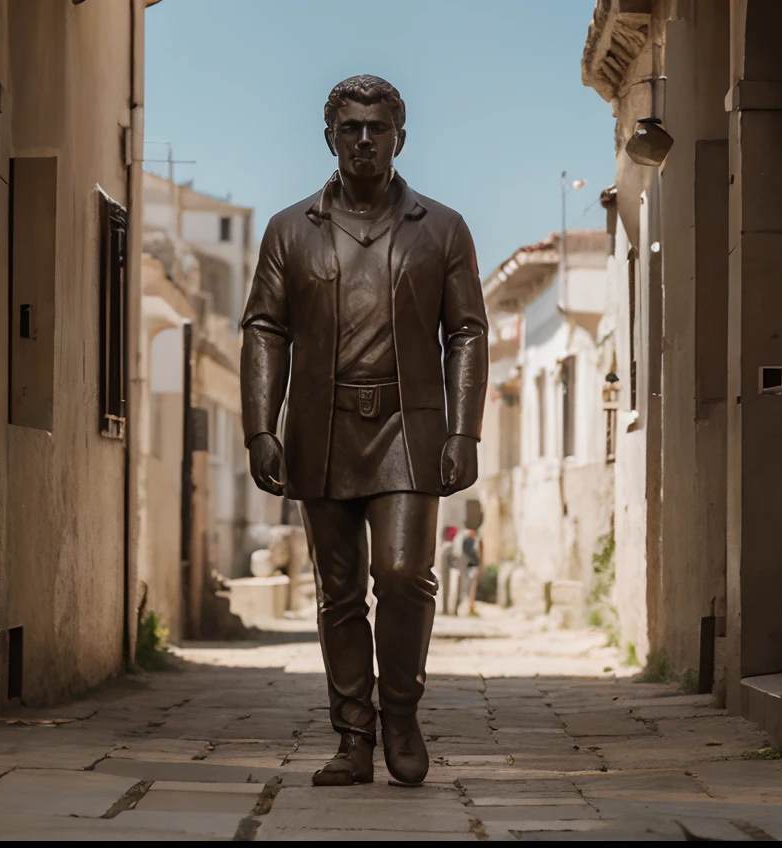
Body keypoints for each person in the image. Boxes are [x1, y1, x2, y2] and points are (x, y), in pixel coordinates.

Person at [239, 74, 487, 787]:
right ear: (330, 138)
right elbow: (264, 328)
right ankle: (353, 735)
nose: (365, 141)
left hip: (409, 433)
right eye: (351, 128)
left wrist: (462, 431)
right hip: (322, 428)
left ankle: (401, 712)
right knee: (339, 592)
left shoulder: (441, 228)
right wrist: (262, 427)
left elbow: (466, 332)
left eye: (378, 128)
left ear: (400, 137)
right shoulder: (290, 229)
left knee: (405, 576)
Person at [438, 525, 462, 615]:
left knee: (446, 592)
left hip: (445, 573)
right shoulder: (450, 547)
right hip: (450, 573)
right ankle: (450, 610)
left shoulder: (444, 547)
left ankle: (446, 609)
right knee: (451, 592)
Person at [459, 527, 482, 616]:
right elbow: (471, 553)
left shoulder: (468, 540)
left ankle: (469, 606)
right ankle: (467, 607)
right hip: (469, 566)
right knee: (468, 586)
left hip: (468, 565)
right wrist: (476, 561)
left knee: (468, 586)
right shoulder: (469, 541)